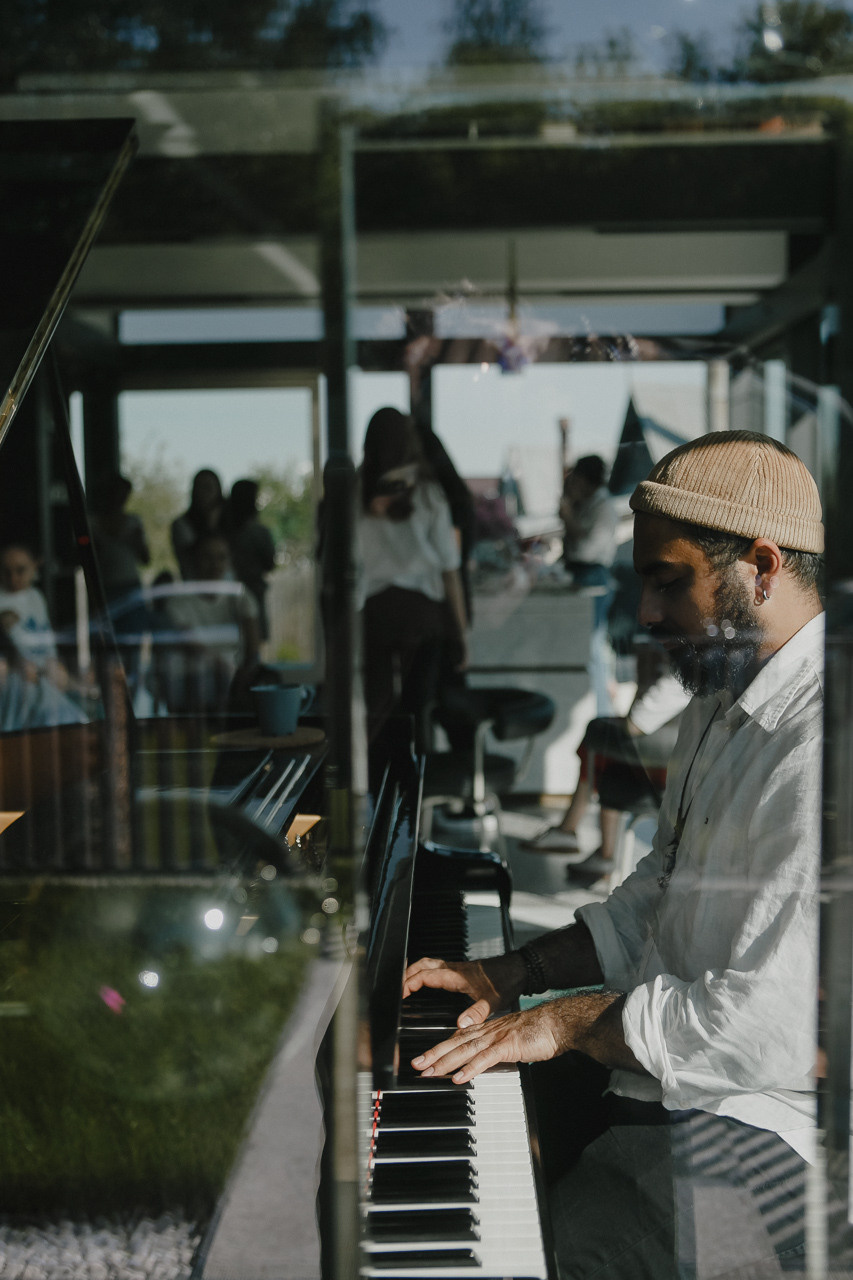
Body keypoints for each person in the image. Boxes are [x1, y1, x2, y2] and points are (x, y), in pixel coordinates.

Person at [403, 431, 826, 1278]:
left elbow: (765, 1034)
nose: (643, 613)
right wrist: (513, 974)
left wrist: (564, 1020)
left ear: (762, 566)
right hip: (663, 1079)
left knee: (533, 1252)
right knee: (447, 1110)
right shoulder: (723, 690)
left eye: (667, 582)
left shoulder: (820, 746)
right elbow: (656, 894)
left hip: (757, 1127)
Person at [357, 407, 468, 783]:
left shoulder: (356, 495)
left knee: (376, 714)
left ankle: (375, 805)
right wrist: (461, 632)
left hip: (373, 615)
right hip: (423, 617)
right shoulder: (428, 492)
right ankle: (415, 810)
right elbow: (448, 570)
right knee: (417, 714)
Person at [523, 650, 690, 882]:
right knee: (607, 751)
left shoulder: (686, 670)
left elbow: (636, 722)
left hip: (669, 781)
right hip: (674, 771)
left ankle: (582, 837)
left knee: (600, 739)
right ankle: (588, 843)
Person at [156, 533, 260, 714]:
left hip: (234, 678)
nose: (215, 565)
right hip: (195, 680)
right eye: (207, 557)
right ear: (194, 561)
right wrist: (226, 668)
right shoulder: (178, 601)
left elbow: (253, 645)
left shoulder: (240, 595)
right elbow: (190, 645)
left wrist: (245, 672)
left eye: (221, 557)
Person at [560, 455, 618, 716]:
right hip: (582, 574)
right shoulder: (589, 503)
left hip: (593, 575)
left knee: (592, 646)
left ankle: (600, 712)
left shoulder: (602, 506)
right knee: (590, 646)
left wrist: (568, 515)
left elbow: (585, 549)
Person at [224, 478, 276, 641]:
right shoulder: (259, 532)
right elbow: (270, 564)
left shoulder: (225, 530)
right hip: (248, 591)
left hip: (232, 593)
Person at [170, 468, 225, 581]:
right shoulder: (181, 524)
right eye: (200, 488)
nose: (204, 493)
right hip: (195, 586)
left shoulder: (227, 521)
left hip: (224, 589)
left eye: (208, 488)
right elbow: (193, 557)